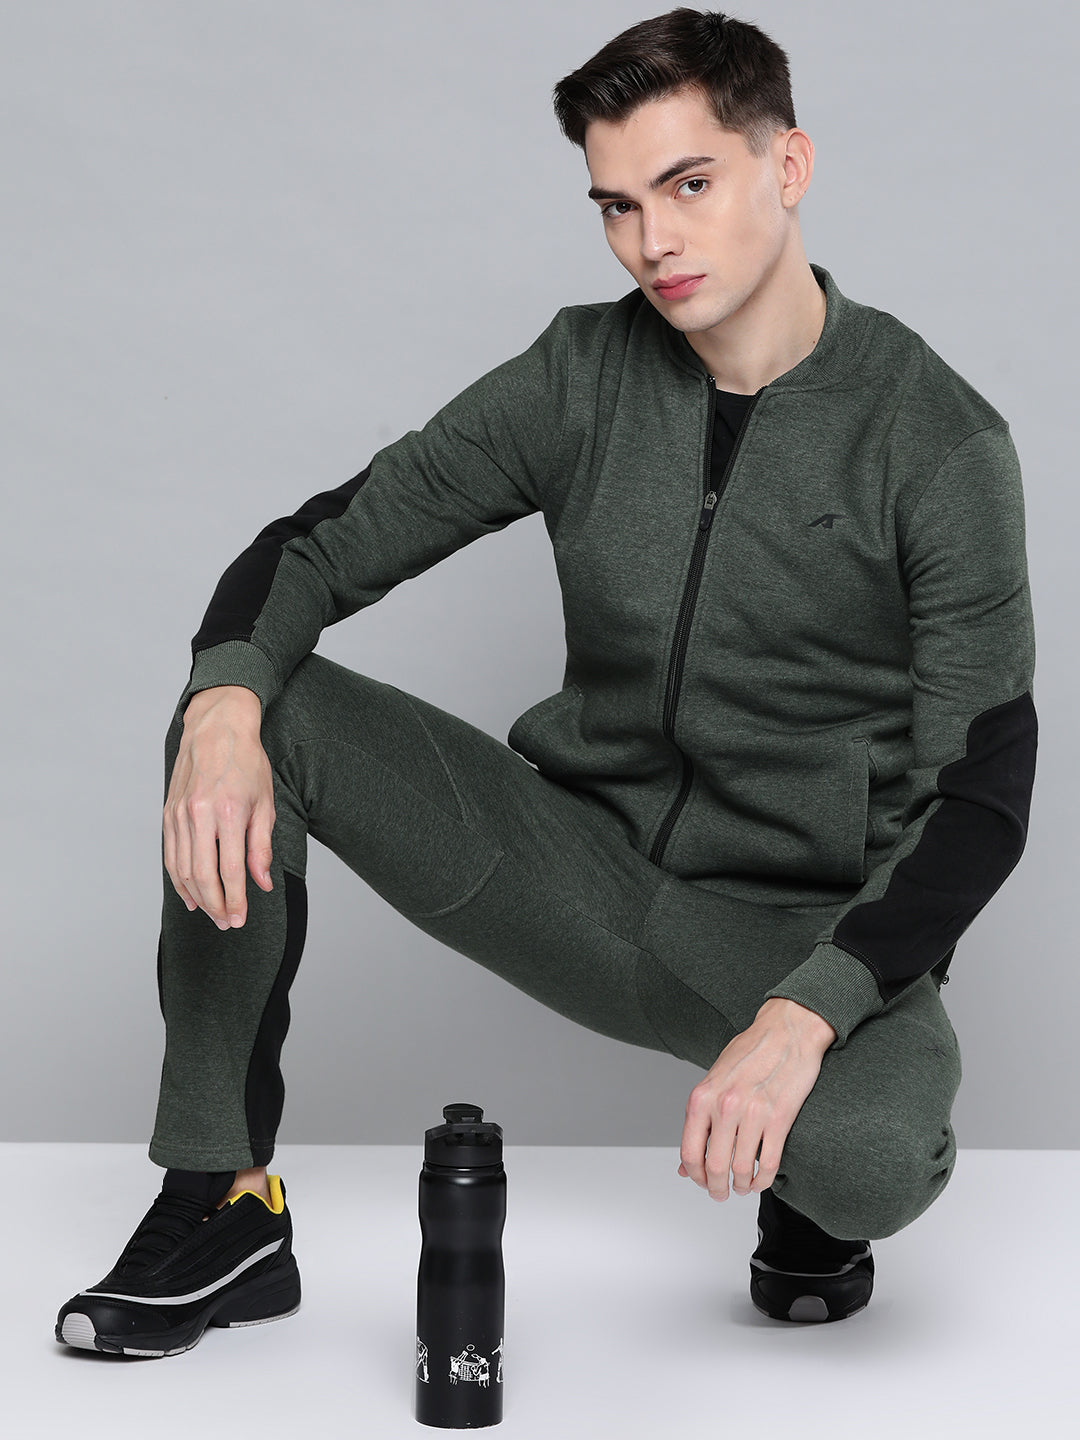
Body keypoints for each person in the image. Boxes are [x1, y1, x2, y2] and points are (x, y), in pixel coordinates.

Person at [56, 6, 1037, 1355]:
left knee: (868, 1161)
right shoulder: (581, 374)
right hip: (575, 877)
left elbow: (980, 794)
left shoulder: (936, 441)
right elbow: (317, 544)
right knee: (240, 707)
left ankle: (808, 1192)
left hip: (797, 931)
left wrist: (809, 1012)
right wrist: (221, 705)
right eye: (618, 206)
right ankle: (220, 1205)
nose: (654, 243)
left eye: (689, 185)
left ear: (789, 165)